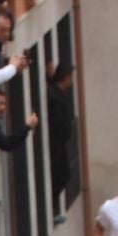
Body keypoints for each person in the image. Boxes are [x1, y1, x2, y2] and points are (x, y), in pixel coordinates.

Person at [47, 63, 80, 220]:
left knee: (64, 175)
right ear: (66, 77)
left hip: (60, 142)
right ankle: (51, 206)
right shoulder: (54, 94)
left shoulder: (58, 92)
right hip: (56, 143)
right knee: (61, 174)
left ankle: (52, 205)